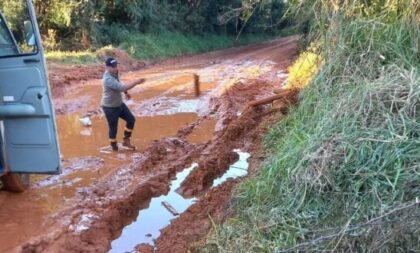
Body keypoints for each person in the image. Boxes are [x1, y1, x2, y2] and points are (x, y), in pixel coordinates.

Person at [101, 57, 145, 151]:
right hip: (110, 107)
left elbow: (119, 84)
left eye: (116, 65)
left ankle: (126, 140)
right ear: (107, 67)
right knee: (113, 128)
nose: (116, 68)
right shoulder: (107, 79)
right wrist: (136, 82)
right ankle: (114, 147)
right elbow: (122, 87)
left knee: (131, 120)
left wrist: (126, 93)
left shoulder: (115, 72)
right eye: (113, 66)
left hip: (119, 104)